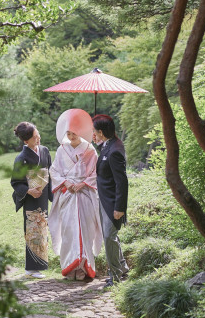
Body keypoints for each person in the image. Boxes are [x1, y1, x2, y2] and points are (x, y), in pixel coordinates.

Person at [48, 109, 102, 280]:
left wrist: (82, 183)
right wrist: (66, 183)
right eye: (69, 133)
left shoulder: (90, 150)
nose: (71, 136)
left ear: (81, 132)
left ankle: (84, 266)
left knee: (86, 230)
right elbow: (54, 171)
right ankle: (70, 266)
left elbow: (95, 172)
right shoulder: (61, 150)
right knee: (68, 230)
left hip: (84, 193)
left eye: (74, 133)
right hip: (68, 193)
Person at [11, 122, 53, 279]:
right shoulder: (21, 158)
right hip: (30, 198)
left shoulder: (44, 151)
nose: (39, 138)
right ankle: (31, 268)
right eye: (35, 137)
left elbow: (50, 171)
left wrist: (52, 193)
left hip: (42, 195)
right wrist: (29, 190)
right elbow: (16, 182)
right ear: (25, 141)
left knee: (42, 229)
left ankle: (39, 266)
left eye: (38, 134)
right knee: (32, 230)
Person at [92, 114, 129, 288]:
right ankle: (122, 267)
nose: (93, 133)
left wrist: (119, 208)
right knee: (111, 237)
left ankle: (115, 276)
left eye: (95, 131)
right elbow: (104, 161)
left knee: (109, 237)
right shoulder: (108, 145)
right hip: (104, 198)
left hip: (112, 202)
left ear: (101, 131)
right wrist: (98, 143)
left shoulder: (115, 151)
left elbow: (122, 181)